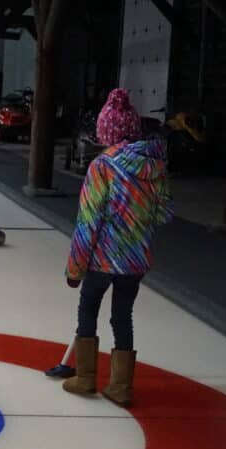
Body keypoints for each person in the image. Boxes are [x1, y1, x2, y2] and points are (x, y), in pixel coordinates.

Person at [61, 88, 173, 406]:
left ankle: (85, 378)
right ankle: (121, 386)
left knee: (89, 307)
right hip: (136, 260)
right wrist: (137, 215)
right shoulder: (156, 166)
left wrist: (74, 269)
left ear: (106, 131)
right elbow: (164, 213)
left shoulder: (102, 167)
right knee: (123, 316)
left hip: (102, 259)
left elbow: (88, 222)